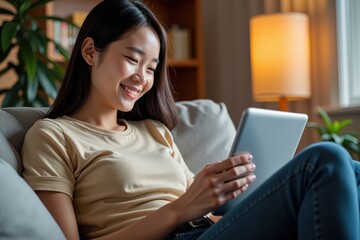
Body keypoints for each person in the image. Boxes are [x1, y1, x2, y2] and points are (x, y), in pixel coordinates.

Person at [21, 0, 360, 239]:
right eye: (132, 59)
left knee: (349, 168)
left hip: (205, 231)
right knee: (323, 159)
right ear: (90, 51)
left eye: (152, 67)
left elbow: (201, 211)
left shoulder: (153, 130)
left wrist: (236, 192)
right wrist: (179, 210)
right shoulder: (53, 136)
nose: (143, 76)